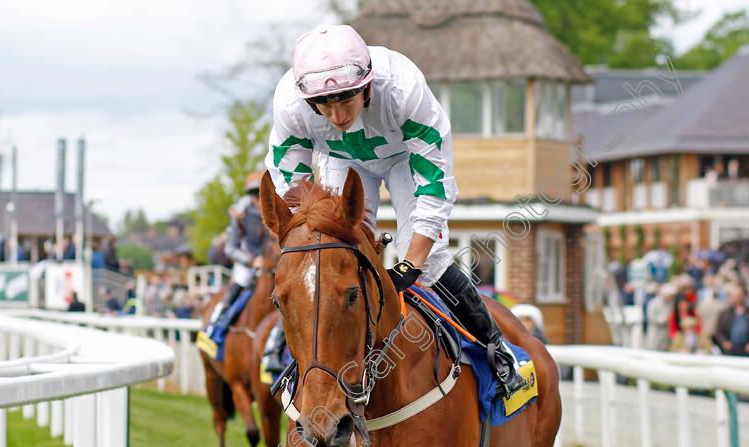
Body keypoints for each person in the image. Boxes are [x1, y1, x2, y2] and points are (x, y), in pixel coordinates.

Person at [264, 24, 525, 396]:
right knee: (328, 262)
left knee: (431, 260)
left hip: (406, 161)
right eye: (325, 105)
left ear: (367, 86)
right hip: (342, 163)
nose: (337, 116)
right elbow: (291, 185)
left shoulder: (404, 90)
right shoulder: (290, 104)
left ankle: (496, 350)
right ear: (307, 101)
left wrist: (411, 263)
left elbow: (435, 187)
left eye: (346, 100)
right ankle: (307, 361)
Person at [210, 170, 269, 329]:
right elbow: (230, 248)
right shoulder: (238, 213)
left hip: (271, 261)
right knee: (241, 280)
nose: (261, 200)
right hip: (248, 260)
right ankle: (216, 323)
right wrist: (252, 260)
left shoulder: (277, 207)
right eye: (256, 196)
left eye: (264, 194)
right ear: (250, 197)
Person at [713, 284, 749, 357]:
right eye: (734, 296)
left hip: (747, 349)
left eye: (738, 295)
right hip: (731, 349)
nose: (736, 298)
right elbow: (718, 331)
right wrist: (724, 343)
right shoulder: (726, 314)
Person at [645, 284, 675, 351]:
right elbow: (651, 318)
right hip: (655, 334)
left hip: (665, 335)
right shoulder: (654, 303)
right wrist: (665, 319)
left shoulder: (670, 304)